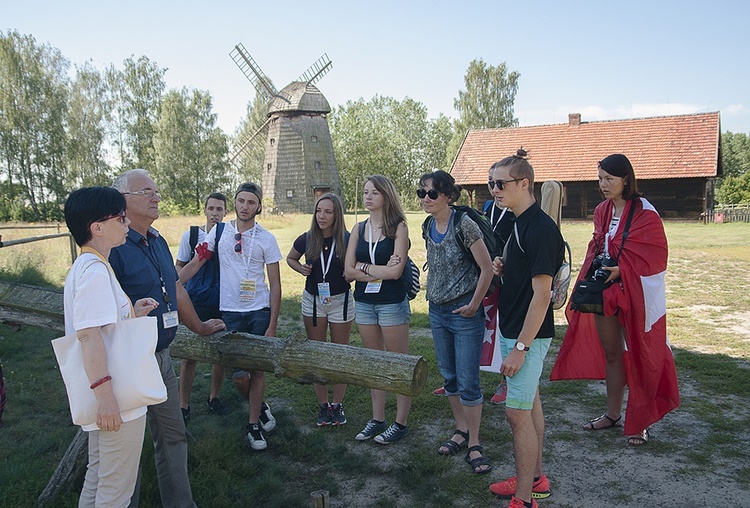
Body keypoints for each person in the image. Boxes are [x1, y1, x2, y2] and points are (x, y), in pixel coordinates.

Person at [110, 169, 225, 508]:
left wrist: (200, 327)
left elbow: (174, 287)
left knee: (174, 436)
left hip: (161, 357)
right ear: (124, 202)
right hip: (128, 360)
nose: (156, 197)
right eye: (147, 191)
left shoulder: (157, 240)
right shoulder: (113, 246)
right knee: (125, 448)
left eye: (156, 191)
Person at [550, 153, 679, 446]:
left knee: (640, 353)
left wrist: (622, 269)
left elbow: (656, 257)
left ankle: (641, 421)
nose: (603, 184)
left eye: (609, 179)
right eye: (600, 179)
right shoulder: (602, 211)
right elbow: (598, 246)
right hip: (606, 293)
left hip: (636, 294)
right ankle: (613, 414)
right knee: (613, 354)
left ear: (625, 179)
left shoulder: (645, 212)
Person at [63, 186, 159, 507]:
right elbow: (88, 335)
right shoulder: (95, 272)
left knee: (99, 474)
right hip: (118, 399)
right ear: (98, 228)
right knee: (116, 490)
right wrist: (106, 398)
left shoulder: (87, 266)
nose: (127, 222)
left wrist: (133, 312)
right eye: (121, 217)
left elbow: (100, 327)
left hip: (107, 395)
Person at [486, 150, 562, 508]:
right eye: (492, 184)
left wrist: (520, 348)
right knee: (528, 406)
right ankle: (535, 479)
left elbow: (543, 296)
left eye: (501, 184)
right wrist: (504, 265)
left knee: (517, 415)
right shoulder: (517, 221)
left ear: (524, 183)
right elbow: (526, 276)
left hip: (527, 336)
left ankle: (524, 499)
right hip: (514, 327)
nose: (495, 190)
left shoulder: (542, 229)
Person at [180, 182, 281, 451]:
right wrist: (171, 283)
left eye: (251, 202)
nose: (245, 206)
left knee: (257, 370)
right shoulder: (219, 232)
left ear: (258, 206)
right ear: (234, 204)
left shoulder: (266, 239)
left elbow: (276, 284)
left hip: (258, 310)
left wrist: (272, 324)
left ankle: (253, 426)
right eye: (240, 201)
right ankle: (259, 408)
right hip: (230, 311)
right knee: (237, 376)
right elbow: (198, 261)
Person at [419, 171, 493, 474]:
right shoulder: (426, 225)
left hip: (464, 314)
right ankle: (460, 430)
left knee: (468, 380)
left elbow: (486, 269)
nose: (425, 199)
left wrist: (474, 305)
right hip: (437, 312)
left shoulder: (464, 224)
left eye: (432, 194)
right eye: (421, 193)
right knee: (449, 376)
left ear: (448, 196)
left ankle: (474, 443)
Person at [344, 175, 412, 445]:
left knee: (398, 362)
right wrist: (372, 270)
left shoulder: (398, 227)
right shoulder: (358, 229)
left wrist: (364, 267)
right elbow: (347, 271)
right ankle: (377, 418)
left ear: (386, 195)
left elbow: (396, 273)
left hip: (392, 303)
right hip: (364, 303)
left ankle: (401, 422)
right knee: (374, 362)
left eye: (374, 192)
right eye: (365, 192)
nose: (368, 196)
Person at [287, 193, 354, 426]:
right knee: (317, 353)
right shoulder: (307, 238)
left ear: (337, 214)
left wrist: (351, 273)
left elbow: (356, 265)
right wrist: (300, 269)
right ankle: (323, 405)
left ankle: (338, 404)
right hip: (313, 303)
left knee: (340, 354)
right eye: (318, 211)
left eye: (328, 211)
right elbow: (291, 258)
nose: (322, 216)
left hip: (340, 301)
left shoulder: (347, 239)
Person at [175, 192, 231, 423]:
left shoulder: (230, 235)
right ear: (205, 211)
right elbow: (177, 274)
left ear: (225, 213)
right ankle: (183, 405)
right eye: (211, 208)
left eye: (220, 209)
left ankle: (214, 397)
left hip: (223, 300)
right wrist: (197, 259)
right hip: (195, 301)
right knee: (189, 356)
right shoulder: (190, 236)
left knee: (220, 354)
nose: (215, 213)